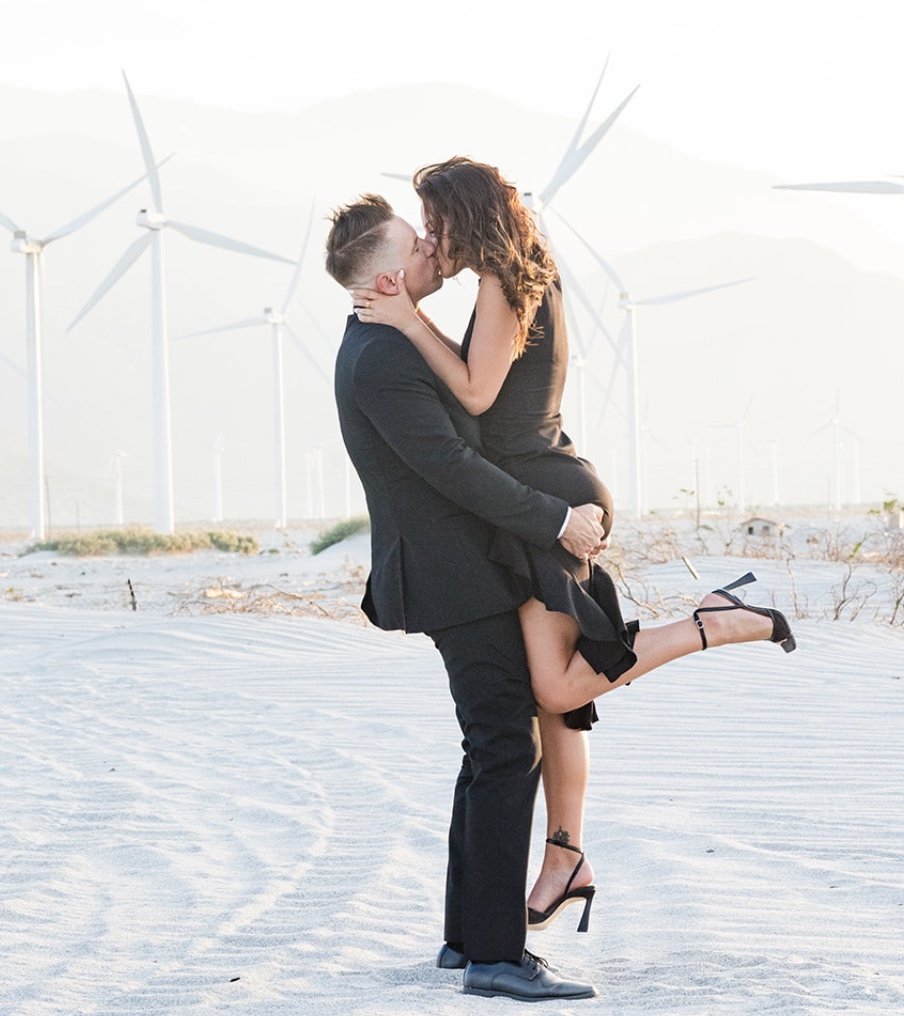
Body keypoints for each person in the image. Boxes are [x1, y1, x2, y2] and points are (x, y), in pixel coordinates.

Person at [350, 157, 795, 937]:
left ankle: (715, 622)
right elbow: (480, 384)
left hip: (547, 497)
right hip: (534, 494)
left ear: (465, 218)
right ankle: (565, 858)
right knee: (549, 687)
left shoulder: (502, 280)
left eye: (434, 222)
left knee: (556, 689)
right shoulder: (517, 271)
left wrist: (409, 322)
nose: (429, 238)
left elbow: (476, 393)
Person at [326, 193, 601, 1002]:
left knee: (491, 747)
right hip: (453, 576)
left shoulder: (388, 339)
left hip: (458, 569)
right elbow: (452, 467)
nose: (431, 249)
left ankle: (466, 939)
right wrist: (556, 519)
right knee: (507, 748)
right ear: (385, 279)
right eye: (416, 246)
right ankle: (497, 958)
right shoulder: (380, 357)